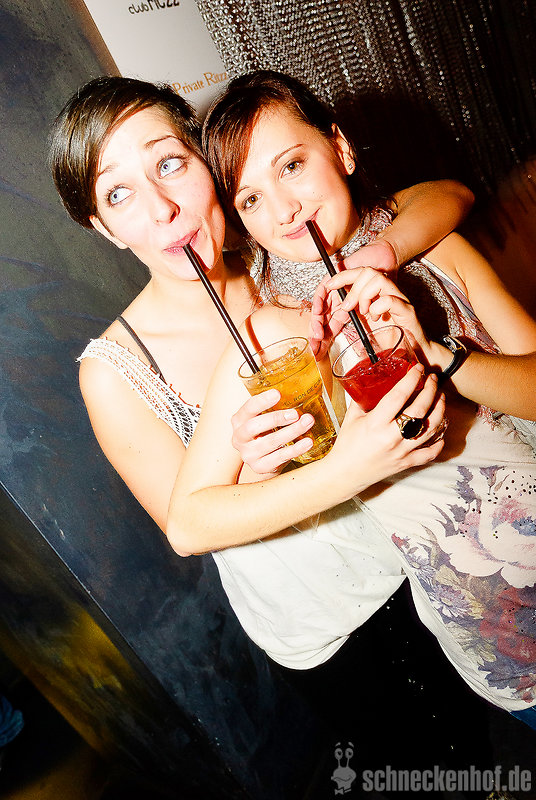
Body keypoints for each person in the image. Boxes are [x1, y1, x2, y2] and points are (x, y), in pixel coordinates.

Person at [48, 75, 469, 673]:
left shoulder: (278, 252)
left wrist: (377, 256)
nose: (163, 209)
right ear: (103, 228)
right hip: (337, 628)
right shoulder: (117, 371)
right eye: (119, 194)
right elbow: (189, 528)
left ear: (206, 165)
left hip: (435, 551)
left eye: (169, 164)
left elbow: (446, 195)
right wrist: (257, 467)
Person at [173, 69, 536, 727]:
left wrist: (437, 355)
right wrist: (297, 465)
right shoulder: (275, 339)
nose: (284, 209)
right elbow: (190, 522)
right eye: (250, 199)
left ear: (339, 148)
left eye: (292, 165)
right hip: (507, 641)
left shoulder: (436, 252)